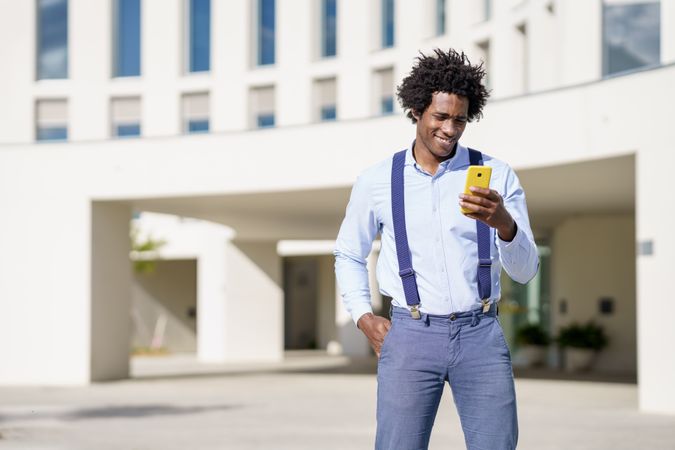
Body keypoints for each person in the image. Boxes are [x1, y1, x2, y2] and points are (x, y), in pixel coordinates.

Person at [333, 48, 539, 450]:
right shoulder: (377, 180)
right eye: (440, 117)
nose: (450, 128)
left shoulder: (496, 174)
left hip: (480, 332)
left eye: (460, 119)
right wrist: (362, 317)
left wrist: (504, 224)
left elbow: (526, 271)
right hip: (410, 334)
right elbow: (348, 254)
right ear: (416, 110)